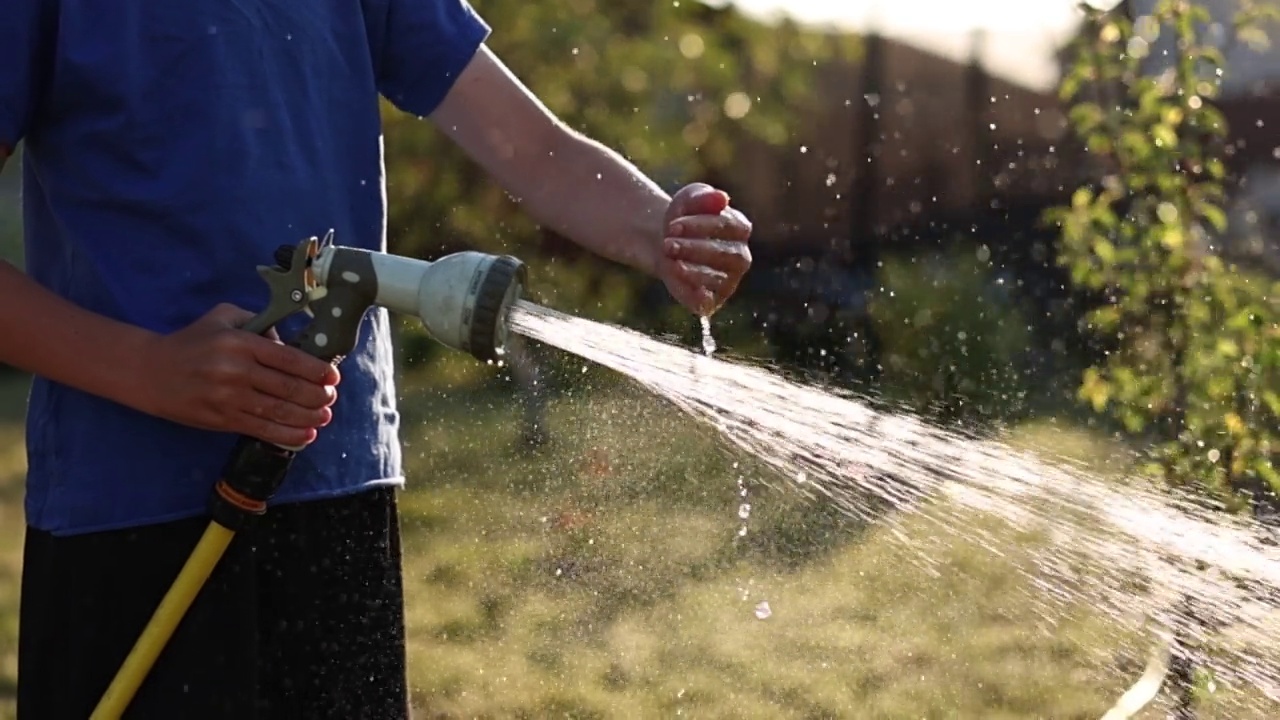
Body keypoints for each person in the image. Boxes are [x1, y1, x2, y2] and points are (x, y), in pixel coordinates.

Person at [0, 1, 753, 717]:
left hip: (338, 493)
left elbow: (535, 149)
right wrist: (148, 370)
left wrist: (658, 228)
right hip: (130, 517)